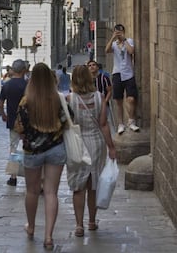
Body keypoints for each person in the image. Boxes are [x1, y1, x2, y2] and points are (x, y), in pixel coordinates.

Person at [13, 62, 68, 250]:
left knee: (32, 191)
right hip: (56, 149)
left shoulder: (26, 101)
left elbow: (19, 129)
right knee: (51, 192)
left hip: (33, 152)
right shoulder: (58, 99)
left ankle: (31, 226)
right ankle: (49, 236)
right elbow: (67, 122)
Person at [67, 65, 116, 238]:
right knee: (93, 185)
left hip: (77, 144)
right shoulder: (99, 97)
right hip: (96, 143)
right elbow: (103, 124)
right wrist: (111, 147)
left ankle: (79, 225)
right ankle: (92, 222)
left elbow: (67, 125)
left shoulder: (69, 99)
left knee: (78, 186)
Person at [105, 23, 139, 134]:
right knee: (118, 100)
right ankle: (120, 124)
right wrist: (112, 38)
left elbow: (131, 51)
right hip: (117, 74)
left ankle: (131, 121)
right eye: (116, 31)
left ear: (124, 32)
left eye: (120, 31)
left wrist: (124, 40)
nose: (118, 33)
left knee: (131, 99)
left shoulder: (129, 41)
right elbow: (107, 50)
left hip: (128, 74)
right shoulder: (114, 44)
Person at [0, 59, 27, 186]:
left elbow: (1, 102)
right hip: (27, 122)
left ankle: (13, 176)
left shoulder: (7, 85)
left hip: (12, 121)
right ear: (23, 70)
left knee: (13, 148)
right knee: (29, 149)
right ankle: (30, 176)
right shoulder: (27, 85)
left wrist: (3, 114)